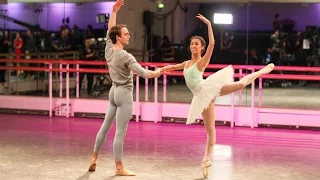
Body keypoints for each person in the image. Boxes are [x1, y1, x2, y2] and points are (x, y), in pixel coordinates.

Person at [158, 13, 274, 178]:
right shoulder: (187, 63)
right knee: (210, 129)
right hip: (200, 96)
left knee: (240, 85)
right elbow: (174, 67)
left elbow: (212, 43)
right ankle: (206, 159)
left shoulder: (201, 62)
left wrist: (208, 24)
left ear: (201, 48)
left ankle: (261, 71)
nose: (193, 46)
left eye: (197, 44)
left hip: (206, 89)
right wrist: (162, 70)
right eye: (192, 44)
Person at [88, 0, 161, 176]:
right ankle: (119, 167)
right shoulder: (127, 57)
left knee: (105, 128)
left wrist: (114, 11)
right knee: (120, 133)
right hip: (124, 94)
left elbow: (110, 30)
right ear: (119, 38)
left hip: (113, 92)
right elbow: (144, 73)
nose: (129, 36)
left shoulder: (109, 49)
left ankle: (94, 158)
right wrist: (157, 73)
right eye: (126, 34)